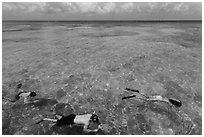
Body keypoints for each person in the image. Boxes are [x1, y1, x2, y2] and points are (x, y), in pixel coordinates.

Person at [36, 113, 102, 133]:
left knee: (63, 118)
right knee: (58, 122)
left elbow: (95, 118)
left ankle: (54, 114)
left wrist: (99, 124)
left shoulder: (89, 115)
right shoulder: (86, 122)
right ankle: (45, 119)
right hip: (71, 121)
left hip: (72, 116)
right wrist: (93, 130)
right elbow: (84, 130)